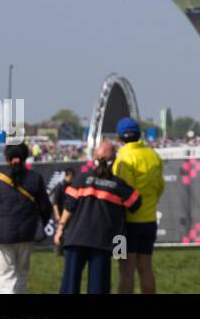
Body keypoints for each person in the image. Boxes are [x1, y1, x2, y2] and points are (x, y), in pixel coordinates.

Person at [56, 140, 141, 294]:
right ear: (114, 160)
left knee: (69, 286)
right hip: (101, 242)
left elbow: (69, 205)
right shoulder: (117, 185)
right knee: (99, 288)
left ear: (94, 156)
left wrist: (60, 228)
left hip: (76, 238)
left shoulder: (81, 179)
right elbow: (136, 202)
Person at [0, 142, 53, 294]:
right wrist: (39, 223)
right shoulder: (35, 178)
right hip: (27, 233)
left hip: (1, 234)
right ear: (25, 157)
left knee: (5, 277)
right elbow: (46, 207)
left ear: (7, 158)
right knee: (22, 274)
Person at [113, 117, 164, 294]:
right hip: (149, 221)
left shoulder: (122, 160)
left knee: (125, 272)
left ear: (119, 137)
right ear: (139, 135)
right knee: (146, 269)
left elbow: (122, 193)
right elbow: (160, 187)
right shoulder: (153, 155)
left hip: (125, 225)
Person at [49, 168, 75, 257]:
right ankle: (58, 250)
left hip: (68, 213)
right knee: (59, 232)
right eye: (71, 176)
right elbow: (55, 202)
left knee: (67, 232)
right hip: (60, 213)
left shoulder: (72, 186)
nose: (72, 178)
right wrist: (57, 214)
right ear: (67, 175)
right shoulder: (60, 186)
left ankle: (65, 249)